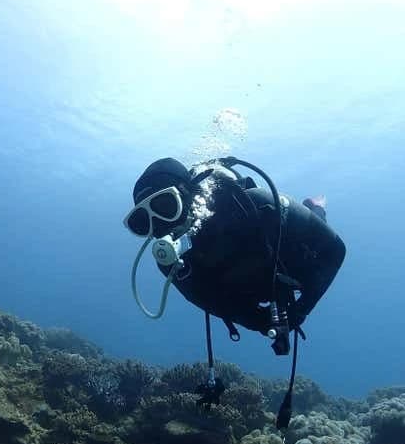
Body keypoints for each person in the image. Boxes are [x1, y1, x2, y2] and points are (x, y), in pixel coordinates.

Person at [123, 156, 346, 427]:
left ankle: (315, 207)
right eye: (142, 221)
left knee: (310, 241)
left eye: (165, 206)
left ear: (189, 194)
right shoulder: (171, 261)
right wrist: (260, 322)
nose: (159, 225)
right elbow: (212, 302)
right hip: (246, 289)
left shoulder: (258, 204)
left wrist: (301, 310)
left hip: (291, 266)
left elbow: (335, 251)